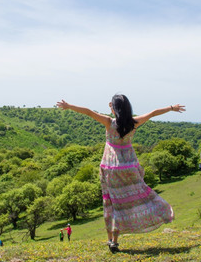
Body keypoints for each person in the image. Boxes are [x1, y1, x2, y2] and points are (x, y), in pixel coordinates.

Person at [57, 95, 185, 253]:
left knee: (111, 204)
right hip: (129, 167)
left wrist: (68, 106)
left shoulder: (109, 122)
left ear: (114, 108)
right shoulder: (134, 123)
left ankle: (111, 241)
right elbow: (152, 113)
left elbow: (89, 112)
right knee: (131, 198)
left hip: (111, 168)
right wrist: (171, 107)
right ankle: (157, 214)